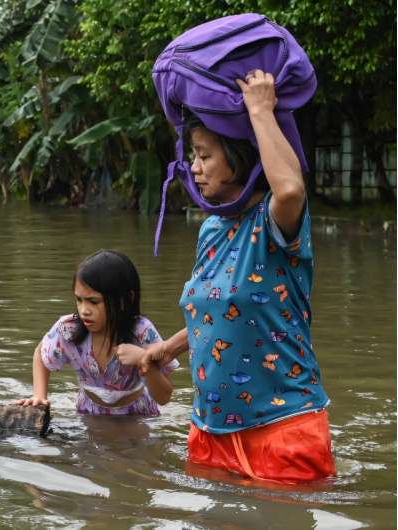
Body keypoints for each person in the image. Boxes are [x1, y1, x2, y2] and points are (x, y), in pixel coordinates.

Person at [139, 69, 334, 483]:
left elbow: (291, 191)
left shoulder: (277, 225)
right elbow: (217, 315)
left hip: (282, 429)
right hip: (209, 431)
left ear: (239, 156)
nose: (194, 167)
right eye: (193, 155)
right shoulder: (211, 227)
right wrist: (167, 350)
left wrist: (261, 109)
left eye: (205, 156)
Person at [18, 249, 178, 416]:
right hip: (88, 412)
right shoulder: (68, 329)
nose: (84, 310)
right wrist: (39, 396)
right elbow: (41, 353)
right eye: (79, 300)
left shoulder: (142, 332)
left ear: (125, 300)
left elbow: (165, 397)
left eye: (93, 302)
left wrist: (143, 360)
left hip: (137, 416)